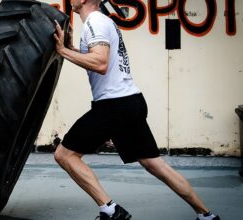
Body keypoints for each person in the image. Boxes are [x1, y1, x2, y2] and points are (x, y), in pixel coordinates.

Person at [53, 0, 220, 219]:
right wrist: (72, 48)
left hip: (114, 106)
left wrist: (63, 51)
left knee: (65, 155)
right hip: (130, 101)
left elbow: (100, 63)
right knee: (155, 164)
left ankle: (110, 211)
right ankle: (206, 215)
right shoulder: (104, 22)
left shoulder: (94, 21)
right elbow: (101, 60)